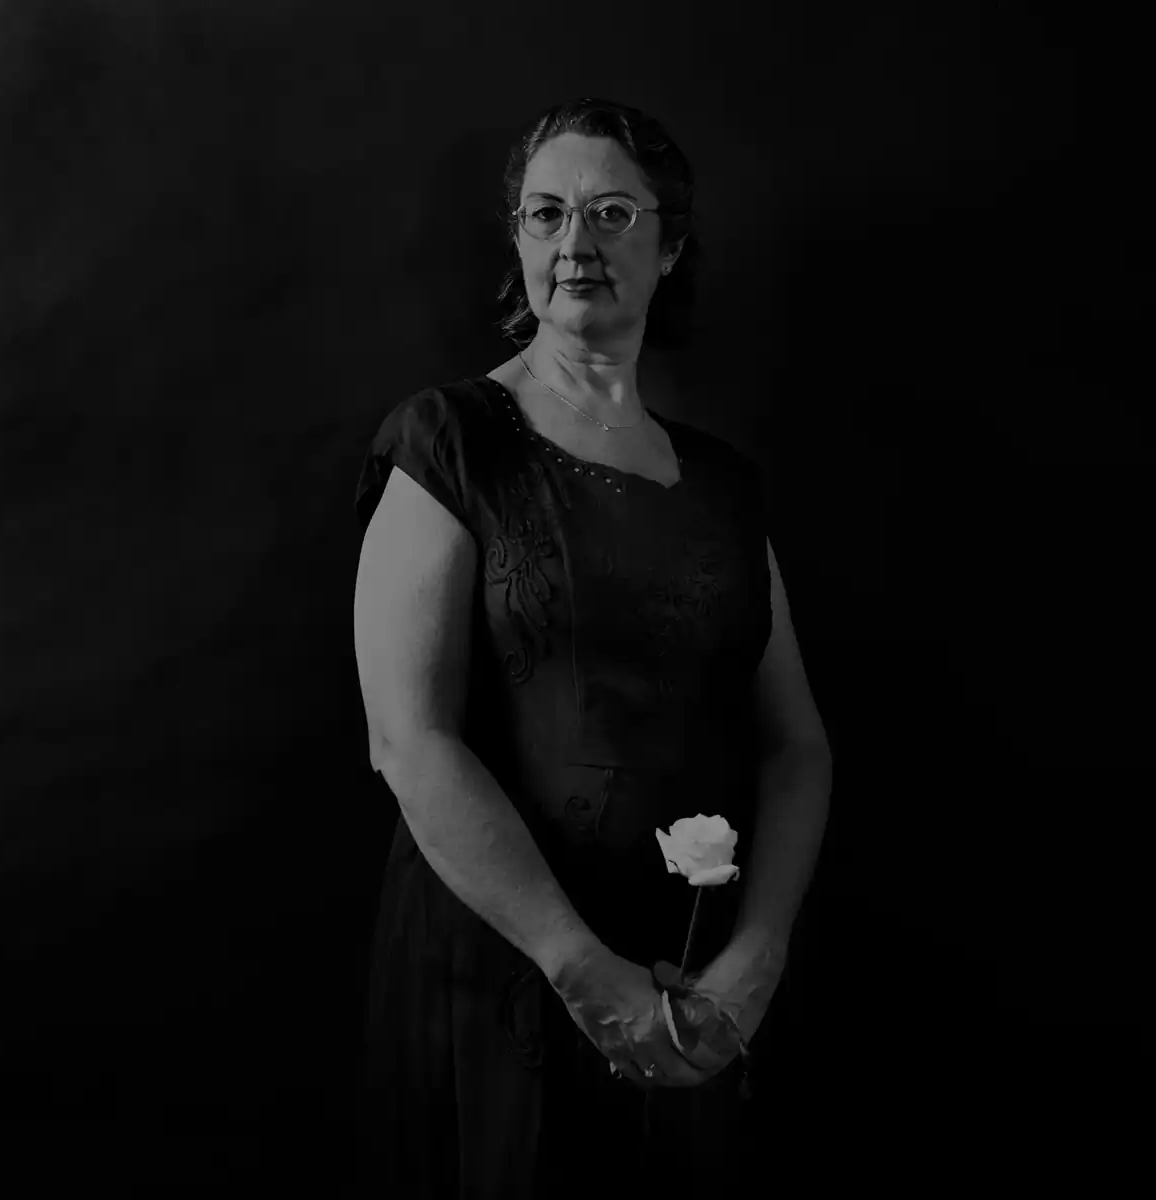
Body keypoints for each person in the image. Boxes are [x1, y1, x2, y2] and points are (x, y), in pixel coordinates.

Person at [352, 97, 832, 1198]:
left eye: (611, 212)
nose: (574, 242)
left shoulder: (722, 484)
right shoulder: (449, 440)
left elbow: (796, 743)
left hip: (693, 973)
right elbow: (408, 740)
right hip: (503, 970)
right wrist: (583, 972)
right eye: (545, 213)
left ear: (669, 249)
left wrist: (756, 959)